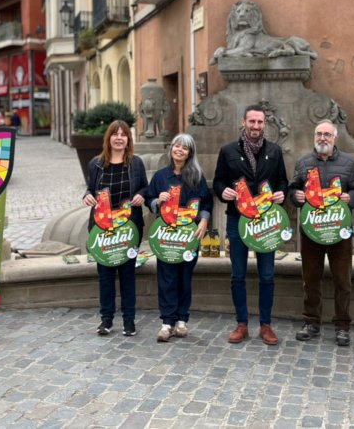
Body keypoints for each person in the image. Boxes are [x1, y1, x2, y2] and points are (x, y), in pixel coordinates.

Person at [213, 104, 288, 345]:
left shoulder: (275, 151)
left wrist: (281, 193)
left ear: (264, 124)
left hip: (266, 221)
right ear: (244, 123)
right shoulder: (228, 151)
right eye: (252, 122)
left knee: (267, 275)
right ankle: (241, 323)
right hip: (237, 220)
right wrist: (221, 191)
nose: (256, 126)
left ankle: (265, 325)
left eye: (260, 122)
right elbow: (218, 181)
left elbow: (283, 182)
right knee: (238, 274)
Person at [288, 120, 354, 346]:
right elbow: (293, 188)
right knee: (311, 279)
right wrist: (296, 196)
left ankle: (342, 325)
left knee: (343, 281)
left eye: (327, 135)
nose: (323, 138)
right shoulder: (303, 162)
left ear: (335, 138)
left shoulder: (349, 163)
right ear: (314, 137)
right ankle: (311, 321)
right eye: (319, 134)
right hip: (311, 231)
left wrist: (351, 198)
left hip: (339, 231)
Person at [82, 120, 147, 337]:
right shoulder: (96, 164)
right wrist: (87, 196)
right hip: (103, 229)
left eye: (123, 134)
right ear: (108, 138)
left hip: (129, 228)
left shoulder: (136, 163)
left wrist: (142, 195)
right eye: (115, 134)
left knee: (128, 274)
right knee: (105, 275)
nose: (119, 138)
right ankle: (106, 320)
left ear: (128, 139)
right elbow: (90, 189)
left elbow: (145, 188)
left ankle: (129, 321)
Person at [145, 133, 212, 342]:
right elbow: (148, 198)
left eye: (185, 147)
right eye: (177, 146)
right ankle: (167, 322)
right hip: (166, 236)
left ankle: (182, 319)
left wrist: (203, 221)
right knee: (166, 278)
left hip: (189, 236)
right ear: (171, 148)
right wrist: (157, 200)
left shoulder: (197, 177)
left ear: (190, 153)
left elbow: (206, 202)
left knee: (184, 278)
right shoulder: (161, 176)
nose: (179, 150)